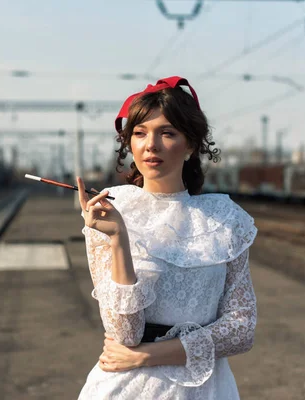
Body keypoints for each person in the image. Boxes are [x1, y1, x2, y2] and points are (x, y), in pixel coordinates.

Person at [76, 76, 258, 399]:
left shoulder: (226, 221)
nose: (151, 145)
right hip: (128, 388)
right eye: (140, 133)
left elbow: (242, 328)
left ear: (190, 145)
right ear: (129, 143)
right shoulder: (110, 212)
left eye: (167, 133)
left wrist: (149, 355)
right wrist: (118, 237)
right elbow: (125, 333)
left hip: (206, 389)